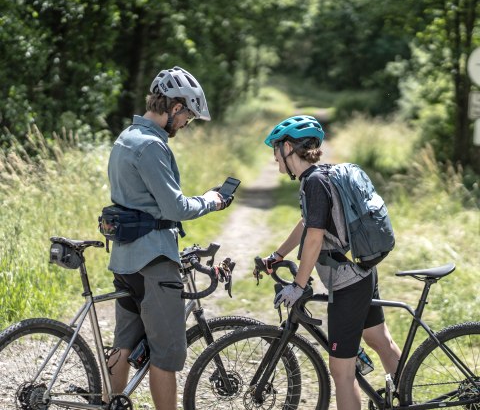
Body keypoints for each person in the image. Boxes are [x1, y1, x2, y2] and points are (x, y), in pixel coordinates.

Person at [106, 66, 228, 410]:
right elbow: (175, 207)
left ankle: (109, 404)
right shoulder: (152, 147)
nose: (187, 123)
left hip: (125, 260)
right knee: (165, 355)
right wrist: (212, 200)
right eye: (188, 114)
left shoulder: (125, 138)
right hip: (154, 263)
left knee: (123, 344)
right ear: (175, 107)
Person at [260, 115, 401, 410]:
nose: (275, 160)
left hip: (348, 282)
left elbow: (313, 236)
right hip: (361, 270)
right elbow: (308, 223)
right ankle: (407, 398)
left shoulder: (314, 182)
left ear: (288, 147)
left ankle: (406, 398)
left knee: (341, 371)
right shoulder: (321, 175)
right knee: (380, 340)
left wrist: (298, 285)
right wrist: (278, 254)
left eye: (276, 152)